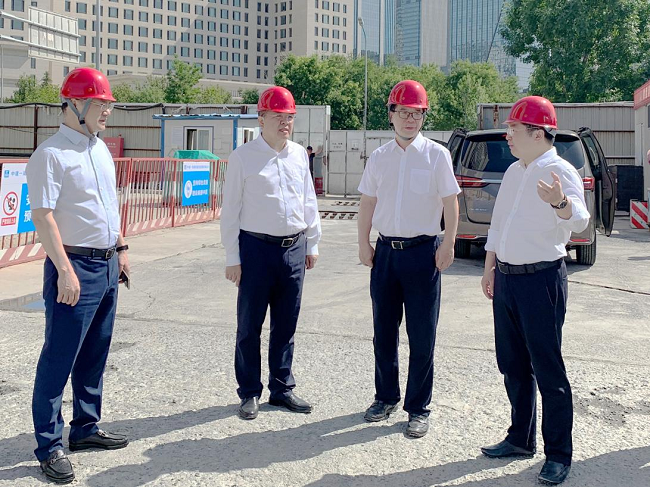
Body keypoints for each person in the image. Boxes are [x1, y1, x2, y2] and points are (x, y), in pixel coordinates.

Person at [26, 67, 130, 484]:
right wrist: (65, 271)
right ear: (74, 104)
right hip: (74, 267)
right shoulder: (51, 154)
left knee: (94, 353)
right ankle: (49, 446)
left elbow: (108, 204)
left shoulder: (98, 148)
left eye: (107, 105)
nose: (106, 111)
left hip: (106, 264)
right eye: (99, 104)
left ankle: (85, 428)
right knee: (59, 358)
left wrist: (120, 248)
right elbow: (43, 217)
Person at [479, 96, 590, 485]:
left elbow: (580, 221)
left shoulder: (560, 170)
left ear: (538, 133)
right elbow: (498, 224)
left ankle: (558, 454)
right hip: (507, 279)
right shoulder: (514, 171)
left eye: (513, 129)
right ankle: (519, 439)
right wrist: (490, 267)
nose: (508, 135)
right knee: (512, 364)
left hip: (541, 280)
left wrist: (559, 201)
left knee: (547, 368)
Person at [357, 80, 460, 438]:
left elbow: (450, 203)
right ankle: (385, 397)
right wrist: (363, 243)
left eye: (417, 113)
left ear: (423, 117)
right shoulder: (379, 157)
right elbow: (368, 202)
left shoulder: (437, 155)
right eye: (403, 112)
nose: (410, 119)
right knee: (383, 333)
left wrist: (448, 244)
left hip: (423, 255)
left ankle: (418, 408)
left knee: (422, 335)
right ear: (391, 115)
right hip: (385, 254)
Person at [220, 86, 322, 421]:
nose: (284, 123)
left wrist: (312, 243)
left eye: (289, 117)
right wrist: (233, 258)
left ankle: (282, 389)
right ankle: (249, 391)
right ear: (261, 118)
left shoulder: (299, 155)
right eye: (277, 116)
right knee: (249, 326)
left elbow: (308, 200)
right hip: (256, 250)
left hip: (293, 249)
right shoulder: (243, 157)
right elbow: (230, 210)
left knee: (286, 324)